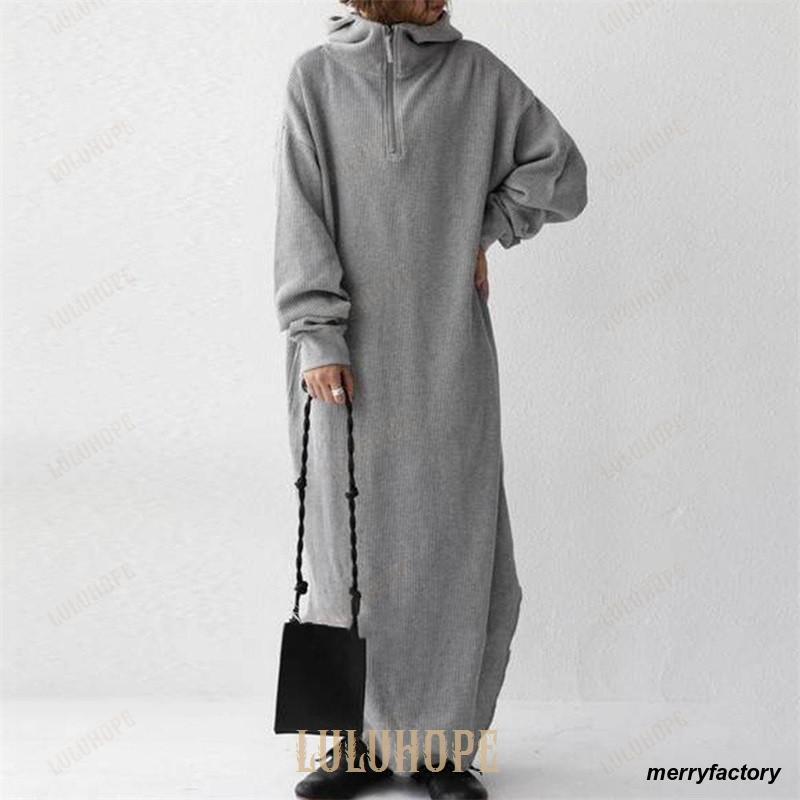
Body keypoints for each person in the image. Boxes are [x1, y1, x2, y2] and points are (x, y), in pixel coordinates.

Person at [272, 0, 588, 797]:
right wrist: (316, 332)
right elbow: (299, 211)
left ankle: (444, 749)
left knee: (453, 545)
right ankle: (353, 744)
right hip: (342, 362)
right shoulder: (315, 80)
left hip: (448, 355)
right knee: (344, 556)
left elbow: (562, 168)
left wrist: (490, 225)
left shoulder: (476, 75)